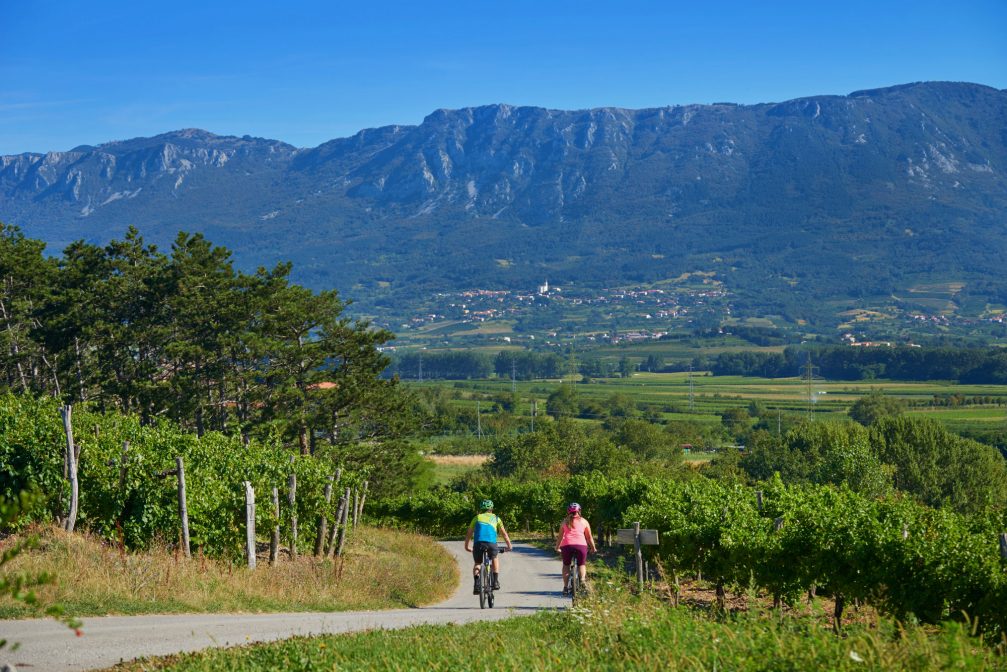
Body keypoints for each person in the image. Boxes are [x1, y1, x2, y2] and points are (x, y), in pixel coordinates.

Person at [464, 499, 512, 594]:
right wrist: (509, 546)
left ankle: (477, 585)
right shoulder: (496, 518)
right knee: (494, 558)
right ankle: (495, 582)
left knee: (477, 563)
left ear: (481, 509)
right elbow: (504, 534)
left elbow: (469, 533)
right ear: (491, 509)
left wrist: (466, 546)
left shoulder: (477, 517)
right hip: (491, 543)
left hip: (478, 543)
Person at [556, 502, 596, 595]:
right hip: (581, 546)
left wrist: (557, 547)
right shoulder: (584, 521)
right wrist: (593, 548)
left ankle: (565, 587)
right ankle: (582, 581)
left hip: (567, 546)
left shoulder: (564, 522)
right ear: (579, 511)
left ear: (568, 511)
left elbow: (560, 537)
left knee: (566, 565)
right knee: (581, 564)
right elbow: (589, 537)